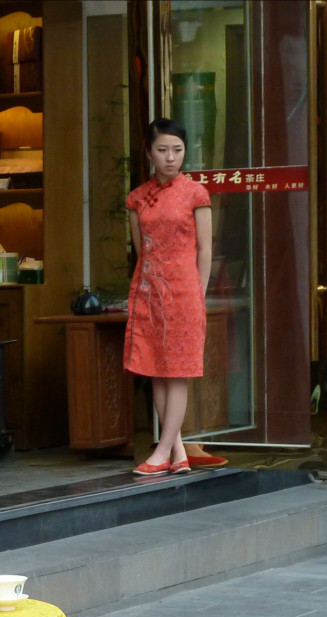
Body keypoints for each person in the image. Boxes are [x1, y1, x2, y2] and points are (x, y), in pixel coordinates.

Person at [124, 117, 213, 475]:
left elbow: (205, 250)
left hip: (185, 291)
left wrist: (199, 294)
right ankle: (177, 452)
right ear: (149, 152)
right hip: (148, 291)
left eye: (177, 150)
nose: (170, 157)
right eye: (162, 150)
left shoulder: (195, 193)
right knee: (156, 371)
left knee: (176, 372)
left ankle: (161, 452)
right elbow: (141, 251)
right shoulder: (136, 199)